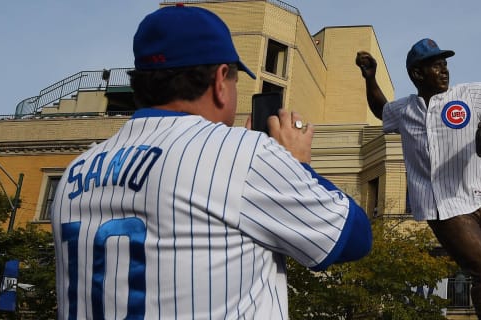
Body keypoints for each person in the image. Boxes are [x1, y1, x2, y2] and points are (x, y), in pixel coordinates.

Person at [51, 5, 371, 319]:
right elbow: (354, 239)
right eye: (234, 81)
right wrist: (295, 163)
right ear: (220, 81)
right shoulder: (243, 154)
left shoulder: (75, 170)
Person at [356, 38, 481, 320]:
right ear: (418, 73)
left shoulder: (469, 94)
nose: (444, 70)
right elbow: (382, 110)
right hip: (442, 204)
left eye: (445, 64)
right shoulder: (406, 110)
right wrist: (370, 78)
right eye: (436, 65)